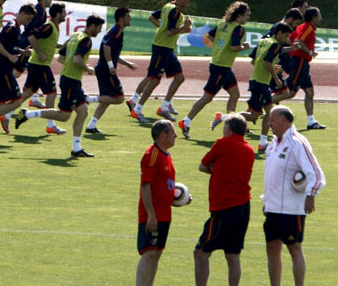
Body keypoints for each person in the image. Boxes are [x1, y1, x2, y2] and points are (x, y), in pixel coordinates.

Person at [14, 14, 105, 157]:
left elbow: (62, 58)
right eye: (99, 28)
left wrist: (79, 66)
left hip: (70, 79)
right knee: (63, 116)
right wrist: (88, 69)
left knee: (83, 111)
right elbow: (76, 59)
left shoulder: (76, 35)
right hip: (71, 81)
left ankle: (76, 148)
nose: (100, 31)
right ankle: (28, 114)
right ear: (92, 26)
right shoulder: (86, 40)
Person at [263, 105, 326, 286]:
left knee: (294, 249)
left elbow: (316, 173)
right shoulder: (273, 145)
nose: (270, 124)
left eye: (273, 120)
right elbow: (272, 176)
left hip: (291, 209)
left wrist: (311, 195)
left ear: (284, 120)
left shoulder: (298, 143)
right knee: (272, 249)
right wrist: (267, 201)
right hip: (272, 208)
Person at [215, 23, 296, 152]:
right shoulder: (275, 44)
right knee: (256, 115)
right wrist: (276, 77)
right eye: (286, 35)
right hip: (261, 82)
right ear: (279, 33)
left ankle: (263, 142)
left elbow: (255, 61)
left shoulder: (264, 41)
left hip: (257, 80)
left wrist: (287, 52)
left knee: (265, 112)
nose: (286, 39)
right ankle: (225, 118)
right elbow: (267, 62)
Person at [194, 113, 254, 286]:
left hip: (225, 207)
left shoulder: (223, 143)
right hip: (243, 207)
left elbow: (203, 165)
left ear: (228, 128)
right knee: (233, 254)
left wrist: (217, 169)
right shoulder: (249, 149)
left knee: (201, 251)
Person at [178, 1, 250, 138]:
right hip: (221, 67)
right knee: (207, 97)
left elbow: (209, 36)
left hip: (222, 65)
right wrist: (244, 48)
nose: (248, 18)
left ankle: (231, 126)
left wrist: (219, 46)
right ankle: (186, 121)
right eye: (247, 15)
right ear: (239, 15)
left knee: (235, 94)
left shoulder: (223, 24)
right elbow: (235, 47)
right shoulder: (238, 29)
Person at [128, 0, 194, 123]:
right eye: (188, 1)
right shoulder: (174, 11)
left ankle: (164, 107)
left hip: (167, 48)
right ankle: (137, 109)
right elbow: (170, 32)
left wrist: (183, 29)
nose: (188, 4)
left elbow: (158, 22)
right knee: (154, 79)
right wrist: (183, 27)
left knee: (179, 78)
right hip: (162, 48)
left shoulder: (168, 6)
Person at [135, 120, 189, 286]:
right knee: (149, 253)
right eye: (173, 133)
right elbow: (145, 186)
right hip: (152, 215)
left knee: (156, 254)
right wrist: (151, 214)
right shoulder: (152, 154)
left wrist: (180, 198)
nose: (176, 136)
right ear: (163, 135)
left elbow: (164, 186)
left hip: (164, 214)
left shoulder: (166, 155)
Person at [0, 4, 37, 143]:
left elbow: (9, 46)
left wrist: (22, 52)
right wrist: (10, 56)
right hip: (2, 69)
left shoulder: (16, 27)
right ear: (22, 13)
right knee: (16, 100)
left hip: (1, 68)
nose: (29, 22)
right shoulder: (12, 27)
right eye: (28, 18)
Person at [10, 3, 67, 136]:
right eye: (64, 12)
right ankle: (50, 125)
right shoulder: (49, 26)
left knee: (27, 93)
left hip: (36, 64)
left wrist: (63, 45)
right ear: (58, 14)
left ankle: (5, 114)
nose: (65, 15)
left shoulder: (53, 27)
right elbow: (31, 37)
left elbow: (48, 42)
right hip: (40, 65)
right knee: (52, 94)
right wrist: (40, 53)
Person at [85, 7, 137, 134]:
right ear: (121, 18)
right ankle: (88, 99)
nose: (130, 18)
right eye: (128, 16)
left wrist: (127, 64)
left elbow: (113, 53)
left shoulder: (116, 30)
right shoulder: (117, 30)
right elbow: (106, 47)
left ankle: (91, 126)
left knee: (106, 100)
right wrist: (111, 66)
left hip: (103, 68)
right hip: (105, 70)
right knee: (119, 98)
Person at [249, 8, 304, 105]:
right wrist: (254, 57)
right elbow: (267, 47)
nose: (296, 26)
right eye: (296, 23)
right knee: (283, 93)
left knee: (283, 92)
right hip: (268, 69)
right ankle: (262, 107)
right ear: (291, 19)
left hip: (273, 67)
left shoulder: (279, 31)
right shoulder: (277, 31)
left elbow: (277, 49)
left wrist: (291, 48)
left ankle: (266, 109)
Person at [284, 7, 326, 130]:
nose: (320, 18)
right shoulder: (308, 27)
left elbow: (289, 40)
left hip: (302, 63)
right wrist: (310, 52)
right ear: (313, 17)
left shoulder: (301, 26)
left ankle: (311, 122)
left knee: (309, 92)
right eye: (319, 15)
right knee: (290, 92)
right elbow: (298, 41)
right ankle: (266, 102)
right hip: (300, 62)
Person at [13, 0, 54, 110]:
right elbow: (35, 31)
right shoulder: (40, 11)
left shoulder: (39, 9)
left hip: (26, 41)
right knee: (16, 73)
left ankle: (34, 98)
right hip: (26, 43)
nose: (51, 0)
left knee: (34, 72)